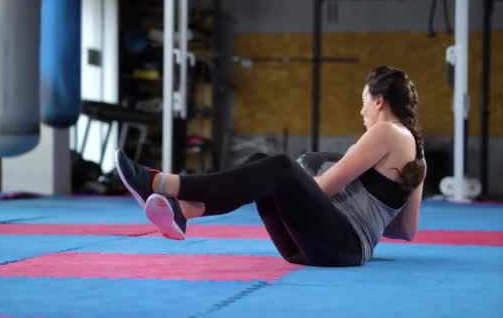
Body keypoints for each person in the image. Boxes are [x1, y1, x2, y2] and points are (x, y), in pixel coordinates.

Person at [115, 66, 427, 267]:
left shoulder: (385, 132)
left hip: (338, 245)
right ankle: (184, 211)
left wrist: (304, 177)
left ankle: (160, 183)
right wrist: (374, 211)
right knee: (263, 164)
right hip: (322, 249)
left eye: (363, 101)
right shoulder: (417, 153)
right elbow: (406, 231)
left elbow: (325, 188)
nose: (361, 111)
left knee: (279, 166)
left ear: (379, 101)